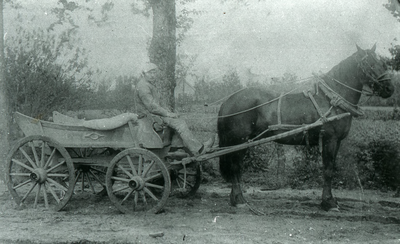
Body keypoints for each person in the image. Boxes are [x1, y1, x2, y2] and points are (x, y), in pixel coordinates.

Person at [135, 62, 214, 156]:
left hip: (154, 116)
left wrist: (170, 112)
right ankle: (199, 149)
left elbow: (159, 104)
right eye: (150, 73)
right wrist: (168, 114)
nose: (153, 75)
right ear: (143, 74)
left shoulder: (149, 85)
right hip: (149, 118)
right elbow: (152, 107)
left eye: (154, 73)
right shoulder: (143, 86)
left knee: (177, 120)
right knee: (180, 124)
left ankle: (177, 148)